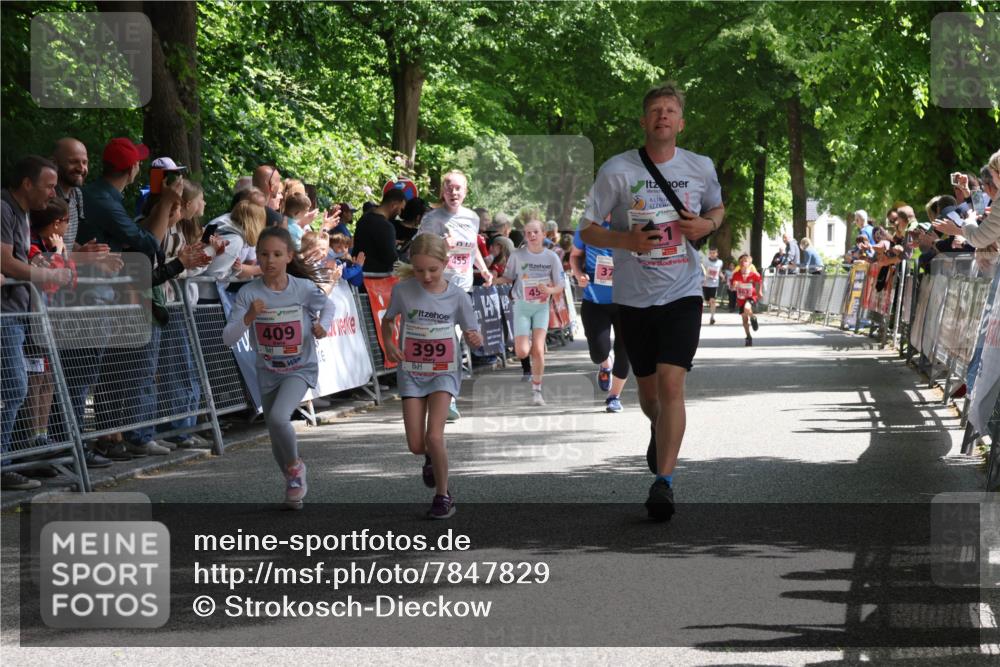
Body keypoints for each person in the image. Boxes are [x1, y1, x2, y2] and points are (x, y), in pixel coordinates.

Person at [578, 82, 724, 521]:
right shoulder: (617, 170)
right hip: (633, 298)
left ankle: (664, 483)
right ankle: (657, 428)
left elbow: (717, 210)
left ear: (681, 122)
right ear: (644, 122)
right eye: (655, 110)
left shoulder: (700, 167)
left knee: (672, 383)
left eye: (670, 110)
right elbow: (586, 229)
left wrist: (706, 225)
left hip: (682, 292)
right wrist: (624, 239)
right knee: (648, 393)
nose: (663, 116)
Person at [222, 227, 335, 509]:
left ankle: (296, 468)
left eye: (276, 254)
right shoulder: (249, 293)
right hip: (268, 370)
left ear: (289, 257)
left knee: (278, 418)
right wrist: (249, 317)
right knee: (275, 431)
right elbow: (228, 338)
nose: (269, 260)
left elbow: (329, 306)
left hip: (300, 367)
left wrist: (323, 326)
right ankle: (291, 480)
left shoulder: (303, 288)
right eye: (263, 254)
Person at [381, 234, 482, 519]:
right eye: (419, 269)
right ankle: (429, 458)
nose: (425, 276)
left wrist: (475, 339)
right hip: (412, 372)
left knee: (434, 436)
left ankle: (443, 495)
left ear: (445, 263)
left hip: (444, 371)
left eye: (432, 270)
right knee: (416, 444)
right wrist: (389, 343)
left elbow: (474, 333)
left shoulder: (457, 295)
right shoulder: (403, 291)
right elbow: (388, 322)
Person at [415, 170, 493, 420]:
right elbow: (418, 250)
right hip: (437, 289)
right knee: (441, 342)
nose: (454, 192)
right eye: (449, 188)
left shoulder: (471, 218)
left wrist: (483, 269)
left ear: (465, 191)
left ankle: (447, 397)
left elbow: (471, 250)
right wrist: (440, 246)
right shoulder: (432, 218)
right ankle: (435, 392)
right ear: (443, 191)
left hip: (463, 288)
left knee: (456, 341)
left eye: (458, 188)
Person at [493, 220, 564, 406]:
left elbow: (561, 285)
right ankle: (528, 341)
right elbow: (508, 277)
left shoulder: (551, 257)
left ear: (543, 235)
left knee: (539, 350)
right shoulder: (517, 255)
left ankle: (537, 391)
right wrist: (493, 280)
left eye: (535, 232)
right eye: (528, 233)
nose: (532, 236)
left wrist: (548, 291)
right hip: (522, 306)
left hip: (541, 307)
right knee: (522, 351)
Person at [570, 216, 631, 413]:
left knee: (626, 353)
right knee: (598, 352)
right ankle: (605, 364)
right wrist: (579, 274)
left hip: (628, 301)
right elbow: (575, 256)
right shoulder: (587, 226)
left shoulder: (633, 223)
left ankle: (614, 396)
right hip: (595, 299)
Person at [353, 189, 405, 274]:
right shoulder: (386, 226)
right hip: (374, 278)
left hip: (357, 272)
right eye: (400, 209)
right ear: (394, 205)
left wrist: (390, 242)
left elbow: (369, 243)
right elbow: (392, 261)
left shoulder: (365, 218)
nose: (399, 213)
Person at [731, 254, 762, 346]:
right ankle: (748, 336)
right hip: (741, 298)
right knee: (744, 321)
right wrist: (734, 286)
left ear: (749, 263)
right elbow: (732, 286)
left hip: (751, 296)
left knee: (747, 308)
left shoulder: (754, 274)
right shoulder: (736, 274)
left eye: (745, 261)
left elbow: (759, 282)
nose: (742, 263)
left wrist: (759, 292)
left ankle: (753, 317)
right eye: (740, 261)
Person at [701, 247, 724, 325]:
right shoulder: (705, 261)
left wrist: (722, 276)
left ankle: (712, 317)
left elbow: (719, 271)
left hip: (714, 284)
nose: (712, 254)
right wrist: (703, 276)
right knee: (707, 300)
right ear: (709, 253)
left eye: (714, 253)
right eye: (711, 253)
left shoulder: (720, 262)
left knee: (712, 300)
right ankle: (709, 304)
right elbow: (702, 269)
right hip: (705, 283)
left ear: (717, 254)